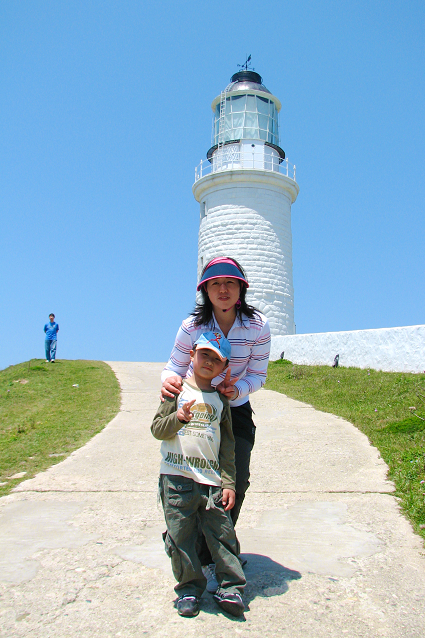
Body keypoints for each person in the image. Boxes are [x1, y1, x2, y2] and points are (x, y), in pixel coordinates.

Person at [161, 257, 271, 592]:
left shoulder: (258, 326)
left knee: (235, 481)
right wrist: (167, 383)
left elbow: (258, 374)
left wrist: (237, 390)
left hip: (234, 409)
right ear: (205, 290)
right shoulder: (191, 326)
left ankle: (209, 549)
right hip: (193, 406)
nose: (222, 290)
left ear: (241, 290)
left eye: (230, 283)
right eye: (214, 284)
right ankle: (192, 546)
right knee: (187, 481)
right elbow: (173, 367)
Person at [152, 331, 246, 618]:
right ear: (191, 354)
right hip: (176, 479)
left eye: (216, 359)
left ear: (224, 367)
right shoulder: (176, 391)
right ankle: (189, 588)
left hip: (212, 482)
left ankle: (231, 587)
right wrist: (178, 418)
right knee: (181, 536)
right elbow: (157, 429)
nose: (209, 361)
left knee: (222, 535)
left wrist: (229, 482)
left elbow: (227, 446)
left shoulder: (221, 401)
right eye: (204, 353)